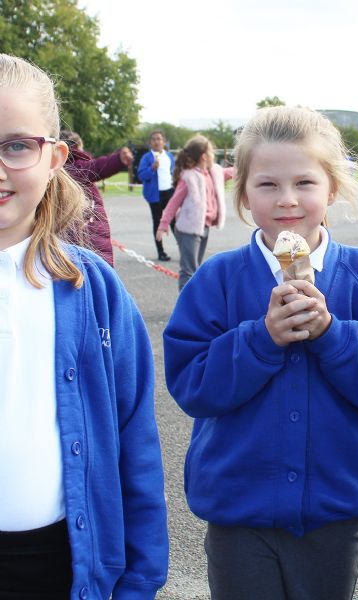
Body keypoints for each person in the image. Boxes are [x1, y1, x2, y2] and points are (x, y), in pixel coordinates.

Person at [163, 106, 358, 600]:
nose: (287, 199)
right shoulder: (217, 279)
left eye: (305, 182)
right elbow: (191, 385)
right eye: (268, 185)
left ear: (332, 188)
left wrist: (332, 334)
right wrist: (261, 340)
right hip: (239, 511)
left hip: (333, 511)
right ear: (243, 193)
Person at [0, 54, 168, 598]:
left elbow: (136, 441)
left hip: (60, 565)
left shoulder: (94, 290)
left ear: (55, 158)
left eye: (15, 146)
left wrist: (139, 580)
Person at [156, 134, 234, 291]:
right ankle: (186, 304)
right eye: (211, 152)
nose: (213, 155)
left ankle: (194, 300)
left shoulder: (212, 173)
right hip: (188, 229)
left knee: (195, 269)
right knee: (188, 270)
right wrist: (163, 225)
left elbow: (231, 172)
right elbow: (173, 202)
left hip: (203, 227)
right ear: (204, 156)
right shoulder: (189, 176)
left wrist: (250, 165)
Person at [60, 130, 133, 266]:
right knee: (96, 272)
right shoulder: (73, 166)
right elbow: (95, 167)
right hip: (87, 236)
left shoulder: (58, 169)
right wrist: (117, 160)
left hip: (83, 233)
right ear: (78, 146)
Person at [137, 130, 175, 261]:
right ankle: (161, 252)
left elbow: (173, 172)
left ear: (164, 142)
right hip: (154, 195)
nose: (156, 141)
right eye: (153, 139)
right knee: (158, 222)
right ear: (150, 143)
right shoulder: (147, 158)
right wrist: (152, 168)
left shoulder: (169, 156)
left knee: (174, 221)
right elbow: (141, 175)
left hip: (169, 193)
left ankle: (184, 249)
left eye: (159, 139)